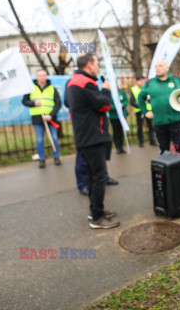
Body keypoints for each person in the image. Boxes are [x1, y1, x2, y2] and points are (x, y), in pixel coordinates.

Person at [65, 53, 120, 229]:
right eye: (97, 63)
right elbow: (104, 104)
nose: (98, 67)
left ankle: (96, 210)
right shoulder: (84, 82)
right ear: (89, 65)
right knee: (99, 177)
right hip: (92, 136)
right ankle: (97, 217)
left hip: (86, 135)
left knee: (92, 176)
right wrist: (106, 89)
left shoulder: (75, 80)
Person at [138, 60, 180, 154]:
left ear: (167, 68)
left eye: (160, 66)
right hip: (159, 123)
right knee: (164, 151)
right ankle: (167, 168)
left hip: (176, 121)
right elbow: (140, 98)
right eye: (156, 66)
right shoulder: (150, 83)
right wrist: (146, 111)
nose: (158, 68)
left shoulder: (176, 80)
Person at [22, 69, 62, 168]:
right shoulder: (31, 88)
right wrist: (33, 103)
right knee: (39, 139)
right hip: (37, 118)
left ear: (46, 76)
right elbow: (24, 101)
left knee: (54, 138)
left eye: (44, 75)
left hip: (50, 118)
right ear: (36, 77)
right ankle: (42, 159)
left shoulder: (52, 89)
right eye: (40, 75)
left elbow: (58, 103)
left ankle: (56, 157)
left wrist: (51, 115)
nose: (42, 77)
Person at [130, 76, 156, 147]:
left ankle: (152, 141)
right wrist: (141, 106)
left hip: (149, 111)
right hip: (139, 111)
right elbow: (132, 101)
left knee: (151, 126)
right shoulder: (134, 89)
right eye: (140, 80)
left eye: (142, 80)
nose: (142, 82)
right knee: (140, 127)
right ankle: (141, 142)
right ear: (137, 81)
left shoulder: (148, 88)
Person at [108, 88, 129, 154]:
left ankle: (121, 146)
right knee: (116, 131)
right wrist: (116, 107)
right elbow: (109, 106)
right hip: (114, 116)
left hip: (122, 116)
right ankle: (117, 147)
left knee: (121, 131)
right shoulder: (109, 94)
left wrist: (122, 104)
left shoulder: (121, 93)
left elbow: (126, 101)